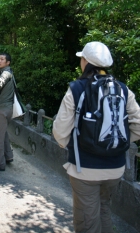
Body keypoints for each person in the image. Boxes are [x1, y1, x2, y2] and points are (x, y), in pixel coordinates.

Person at [52, 41, 140, 233]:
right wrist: (119, 143)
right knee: (103, 209)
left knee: (86, 221)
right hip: (116, 168)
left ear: (86, 62)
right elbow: (138, 124)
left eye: (81, 58)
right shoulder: (123, 89)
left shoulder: (76, 89)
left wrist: (69, 145)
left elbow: (60, 131)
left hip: (85, 169)